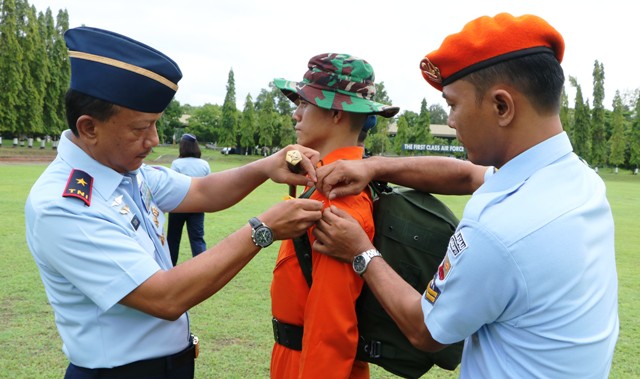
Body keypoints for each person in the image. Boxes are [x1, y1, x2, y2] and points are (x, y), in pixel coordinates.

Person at [312, 13, 619, 378]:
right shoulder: (575, 179)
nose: (452, 120)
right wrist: (374, 167)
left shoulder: (500, 230)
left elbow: (425, 329)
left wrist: (361, 251)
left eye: (453, 105)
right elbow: (468, 175)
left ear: (501, 107)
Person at [24, 26, 323, 379]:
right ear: (89, 128)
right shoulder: (64, 206)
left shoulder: (126, 172)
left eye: (155, 125)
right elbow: (164, 297)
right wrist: (263, 229)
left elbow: (203, 192)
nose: (153, 140)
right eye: (140, 128)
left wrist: (266, 165)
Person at [270, 53, 399, 378]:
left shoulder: (339, 197)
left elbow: (330, 331)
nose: (296, 114)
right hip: (293, 358)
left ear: (337, 113)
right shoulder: (326, 182)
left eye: (304, 103)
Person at [167, 133, 211, 265]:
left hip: (178, 206)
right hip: (197, 206)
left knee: (173, 240)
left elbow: (172, 185)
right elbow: (209, 185)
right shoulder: (204, 164)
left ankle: (169, 267)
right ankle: (202, 268)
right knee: (197, 239)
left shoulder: (176, 163)